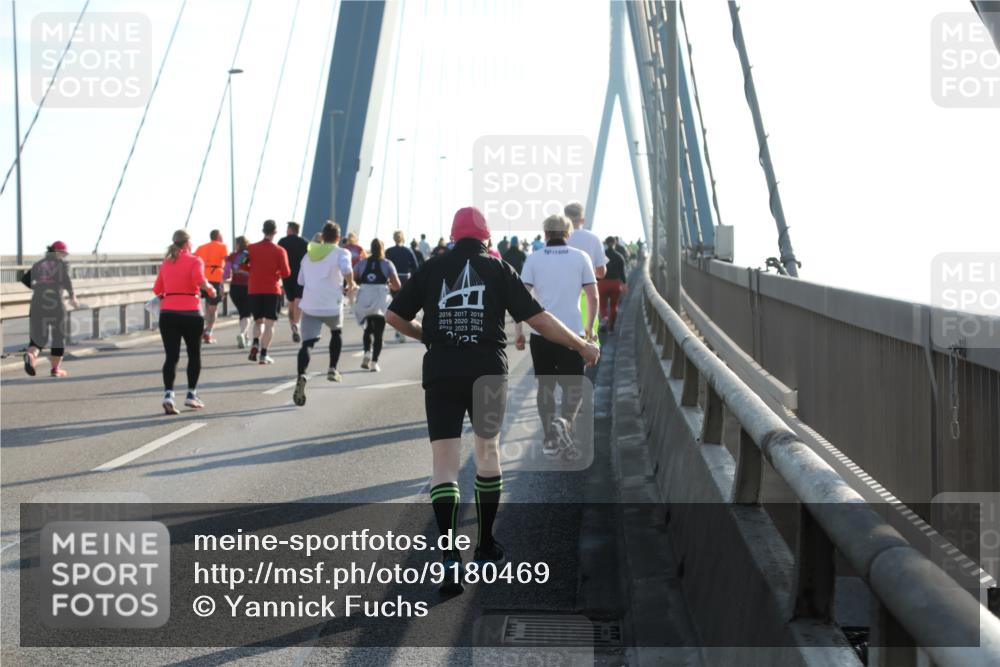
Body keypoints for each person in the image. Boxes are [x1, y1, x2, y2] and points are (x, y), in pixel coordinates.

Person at [386, 206, 600, 595]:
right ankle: (484, 546)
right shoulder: (499, 269)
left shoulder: (433, 268)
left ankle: (450, 556)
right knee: (488, 454)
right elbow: (538, 319)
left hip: (442, 370)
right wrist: (581, 344)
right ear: (487, 238)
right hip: (487, 371)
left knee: (444, 465)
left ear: (453, 236)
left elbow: (394, 317)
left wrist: (428, 336)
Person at [515, 215, 599, 456]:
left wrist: (519, 331)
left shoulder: (533, 259)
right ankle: (565, 423)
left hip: (541, 334)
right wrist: (590, 329)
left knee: (545, 387)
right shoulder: (580, 257)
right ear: (568, 233)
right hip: (572, 333)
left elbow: (521, 298)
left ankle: (550, 439)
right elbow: (593, 296)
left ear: (545, 234)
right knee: (574, 386)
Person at [293, 222, 356, 406]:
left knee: (307, 343)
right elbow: (346, 270)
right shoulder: (341, 252)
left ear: (322, 237)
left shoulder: (308, 255)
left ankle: (301, 375)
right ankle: (332, 368)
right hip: (331, 304)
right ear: (338, 237)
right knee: (336, 332)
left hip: (310, 304)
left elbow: (300, 280)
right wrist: (350, 284)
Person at [153, 230, 216, 414]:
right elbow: (199, 280)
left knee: (171, 357)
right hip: (191, 313)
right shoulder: (195, 260)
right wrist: (210, 289)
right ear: (187, 243)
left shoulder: (166, 262)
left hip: (168, 314)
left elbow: (157, 288)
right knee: (194, 354)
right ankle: (191, 395)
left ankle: (168, 395)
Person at [22, 241, 78, 378]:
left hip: (37, 302)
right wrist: (72, 296)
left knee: (38, 337)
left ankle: (31, 355)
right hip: (55, 303)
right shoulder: (62, 265)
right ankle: (55, 369)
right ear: (58, 252)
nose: (64, 256)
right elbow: (66, 281)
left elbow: (24, 279)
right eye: (63, 254)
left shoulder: (38, 264)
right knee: (59, 336)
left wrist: (37, 287)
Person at [247, 219, 291, 365]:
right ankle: (263, 354)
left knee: (258, 321)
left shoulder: (251, 248)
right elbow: (286, 273)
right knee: (270, 324)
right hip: (272, 290)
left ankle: (254, 343)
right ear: (275, 232)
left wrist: (252, 270)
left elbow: (240, 264)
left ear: (263, 230)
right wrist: (276, 272)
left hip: (254, 289)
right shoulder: (280, 251)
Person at [354, 238, 401, 372]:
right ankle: (374, 362)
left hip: (365, 297)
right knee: (379, 332)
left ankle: (366, 353)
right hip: (380, 298)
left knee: (367, 328)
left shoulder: (362, 263)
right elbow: (397, 285)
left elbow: (353, 277)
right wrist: (390, 285)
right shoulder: (387, 264)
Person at [564, 202, 608, 340]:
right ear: (582, 220)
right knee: (589, 343)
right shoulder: (593, 239)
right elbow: (601, 272)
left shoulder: (556, 240)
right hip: (586, 294)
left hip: (561, 293)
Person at [386, 230, 421, 343]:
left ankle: (399, 331)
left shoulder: (389, 251)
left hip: (393, 281)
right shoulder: (408, 251)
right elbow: (416, 268)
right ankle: (402, 331)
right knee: (405, 307)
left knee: (395, 307)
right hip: (406, 280)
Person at [193, 230, 228, 344]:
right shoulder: (223, 246)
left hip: (202, 278)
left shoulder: (201, 247)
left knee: (207, 305)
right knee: (213, 308)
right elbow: (228, 261)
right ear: (218, 236)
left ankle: (205, 330)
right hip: (216, 278)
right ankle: (208, 332)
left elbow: (193, 259)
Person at [278, 222, 309, 343]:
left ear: (290, 229)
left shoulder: (282, 242)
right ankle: (297, 323)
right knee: (298, 300)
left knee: (290, 301)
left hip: (287, 275)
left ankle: (293, 327)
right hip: (301, 274)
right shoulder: (304, 242)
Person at [223, 236, 253, 348]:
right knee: (247, 314)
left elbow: (226, 273)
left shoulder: (232, 256)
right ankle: (243, 334)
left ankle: (244, 336)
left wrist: (224, 281)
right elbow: (250, 271)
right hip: (248, 287)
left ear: (238, 244)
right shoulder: (249, 256)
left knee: (242, 313)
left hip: (234, 289)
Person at [599, 236, 629, 333]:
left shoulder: (602, 256)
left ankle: (604, 318)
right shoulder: (619, 256)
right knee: (613, 306)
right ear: (615, 243)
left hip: (603, 283)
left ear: (605, 243)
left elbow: (597, 270)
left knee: (602, 305)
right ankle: (611, 327)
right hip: (615, 283)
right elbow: (622, 273)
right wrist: (624, 284)